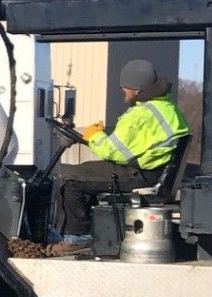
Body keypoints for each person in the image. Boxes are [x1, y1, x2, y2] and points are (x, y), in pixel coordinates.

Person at [51, 58, 190, 250]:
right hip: (157, 172)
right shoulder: (167, 108)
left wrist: (94, 135)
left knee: (69, 178)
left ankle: (77, 238)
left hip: (141, 174)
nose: (123, 91)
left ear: (137, 89)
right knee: (87, 172)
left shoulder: (139, 115)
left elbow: (114, 152)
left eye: (125, 87)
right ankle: (91, 230)